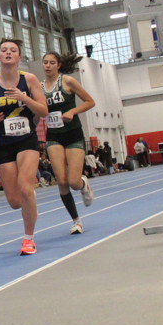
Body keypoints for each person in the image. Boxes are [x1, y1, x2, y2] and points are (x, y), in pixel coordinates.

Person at [0, 39, 49, 255]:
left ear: (19, 57)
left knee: (25, 187)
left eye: (13, 50)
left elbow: (43, 111)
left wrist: (24, 98)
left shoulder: (29, 79)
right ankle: (29, 202)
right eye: (4, 50)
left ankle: (28, 239)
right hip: (2, 143)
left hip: (27, 140)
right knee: (15, 201)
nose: (8, 53)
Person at [41, 51, 96, 234]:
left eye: (52, 62)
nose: (48, 65)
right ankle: (76, 221)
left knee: (73, 181)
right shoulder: (39, 87)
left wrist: (73, 111)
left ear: (58, 65)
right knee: (62, 181)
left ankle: (83, 184)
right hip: (53, 135)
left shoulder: (67, 81)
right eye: (45, 62)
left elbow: (90, 102)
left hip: (73, 134)